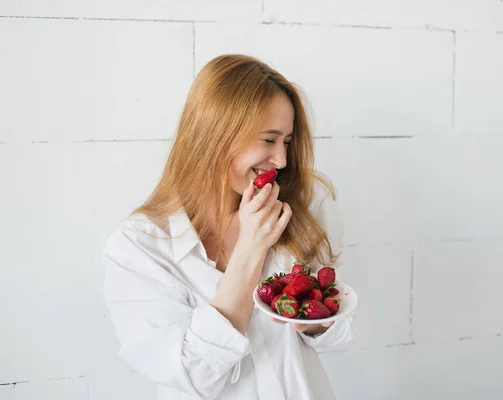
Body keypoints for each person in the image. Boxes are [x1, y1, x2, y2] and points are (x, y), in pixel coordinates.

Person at [102, 54, 354, 400]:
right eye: (269, 140)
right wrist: (251, 248)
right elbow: (195, 375)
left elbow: (336, 325)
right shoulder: (138, 246)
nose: (281, 160)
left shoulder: (305, 207)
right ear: (216, 135)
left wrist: (313, 319)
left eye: (287, 142)